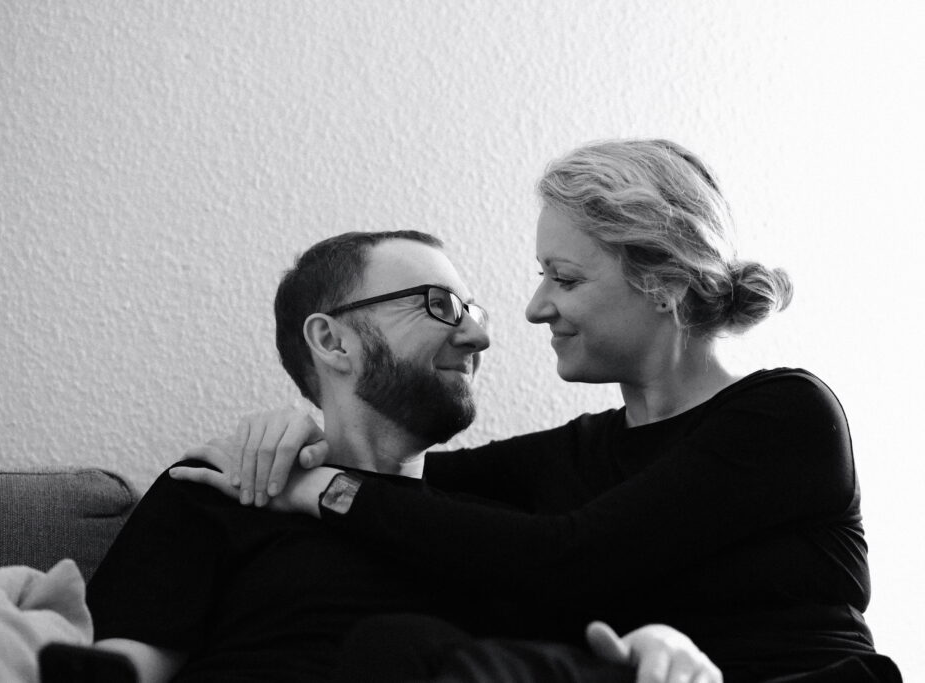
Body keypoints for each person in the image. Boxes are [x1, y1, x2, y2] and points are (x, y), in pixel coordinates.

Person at [177, 139, 902, 682]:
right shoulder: (576, 453)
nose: (534, 307)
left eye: (565, 277)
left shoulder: (785, 415)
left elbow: (566, 560)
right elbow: (396, 477)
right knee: (400, 647)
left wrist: (324, 488)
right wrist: (292, 437)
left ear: (664, 282)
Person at [85, 229, 718, 682]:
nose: (478, 335)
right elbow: (126, 664)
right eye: (441, 305)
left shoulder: (502, 530)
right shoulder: (225, 487)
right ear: (333, 341)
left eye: (473, 311)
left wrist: (656, 641)